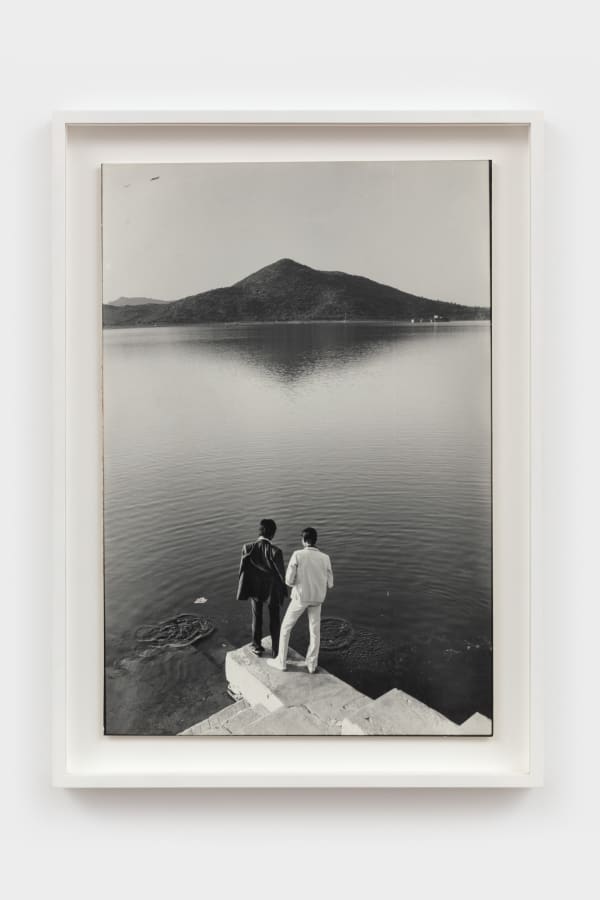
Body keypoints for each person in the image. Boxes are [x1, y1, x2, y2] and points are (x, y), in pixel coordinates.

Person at [268, 527, 333, 674]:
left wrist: (298, 582)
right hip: (317, 599)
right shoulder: (325, 557)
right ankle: (311, 665)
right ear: (315, 540)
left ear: (303, 540)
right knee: (315, 631)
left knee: (285, 628)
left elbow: (289, 581)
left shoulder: (298, 554)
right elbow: (330, 583)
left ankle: (281, 662)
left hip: (300, 598)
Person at [236, 518, 287, 657]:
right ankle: (276, 651)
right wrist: (284, 591)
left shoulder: (247, 548)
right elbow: (282, 576)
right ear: (273, 534)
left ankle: (257, 646)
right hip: (272, 591)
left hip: (254, 589)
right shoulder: (276, 551)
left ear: (259, 531)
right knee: (275, 619)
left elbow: (241, 571)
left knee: (256, 617)